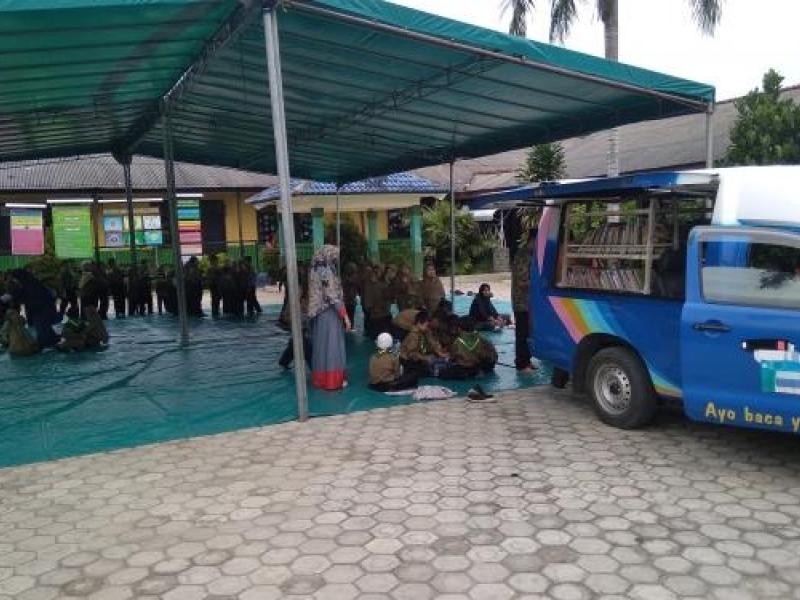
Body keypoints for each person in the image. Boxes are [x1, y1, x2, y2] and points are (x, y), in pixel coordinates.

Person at [307, 245, 351, 390]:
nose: (335, 258)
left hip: (319, 314)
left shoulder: (314, 270)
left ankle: (320, 379)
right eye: (333, 255)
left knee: (321, 347)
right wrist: (344, 315)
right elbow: (332, 295)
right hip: (329, 314)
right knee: (332, 346)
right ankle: (332, 381)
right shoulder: (327, 272)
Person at [7, 269, 59, 348]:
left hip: (41, 309)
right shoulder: (31, 283)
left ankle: (48, 344)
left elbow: (24, 297)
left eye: (14, 278)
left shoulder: (29, 285)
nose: (14, 280)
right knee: (43, 327)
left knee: (42, 327)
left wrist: (12, 296)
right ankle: (50, 342)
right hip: (43, 308)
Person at [512, 232, 537, 372]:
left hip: (529, 302)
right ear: (533, 239)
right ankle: (521, 363)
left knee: (528, 333)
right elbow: (522, 282)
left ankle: (526, 360)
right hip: (521, 302)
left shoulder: (531, 255)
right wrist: (538, 283)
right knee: (522, 334)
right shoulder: (523, 255)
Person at [399, 310, 447, 378]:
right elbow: (411, 354)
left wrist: (439, 352)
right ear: (419, 323)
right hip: (407, 361)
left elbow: (431, 342)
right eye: (426, 325)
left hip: (414, 358)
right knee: (426, 372)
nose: (428, 328)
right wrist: (425, 358)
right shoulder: (414, 335)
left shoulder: (423, 331)